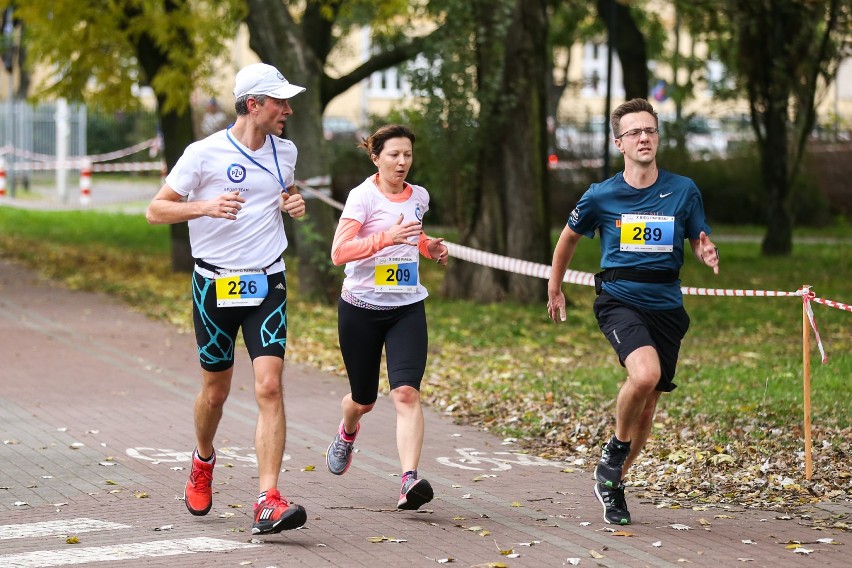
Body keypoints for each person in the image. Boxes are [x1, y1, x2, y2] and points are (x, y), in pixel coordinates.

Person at [145, 62, 309, 535]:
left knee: (269, 386)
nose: (289, 109)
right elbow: (156, 210)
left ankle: (268, 499)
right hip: (214, 285)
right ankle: (202, 459)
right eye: (280, 102)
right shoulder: (203, 154)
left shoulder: (287, 151)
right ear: (253, 104)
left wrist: (291, 204)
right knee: (215, 393)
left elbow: (286, 192)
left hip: (267, 281)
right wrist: (205, 206)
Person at [546, 98, 720, 526]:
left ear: (657, 137)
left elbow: (697, 233)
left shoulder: (683, 189)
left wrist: (705, 248)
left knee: (648, 404)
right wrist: (555, 287)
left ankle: (612, 483)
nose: (644, 138)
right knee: (644, 376)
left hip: (667, 305)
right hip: (619, 298)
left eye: (650, 130)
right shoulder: (601, 195)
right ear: (619, 143)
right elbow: (568, 239)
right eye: (634, 133)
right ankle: (615, 452)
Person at [324, 124, 449, 511]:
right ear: (376, 157)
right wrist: (386, 239)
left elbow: (415, 237)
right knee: (363, 400)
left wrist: (430, 248)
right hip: (361, 308)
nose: (402, 162)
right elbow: (339, 252)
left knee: (406, 393)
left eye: (407, 154)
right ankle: (347, 432)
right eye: (394, 154)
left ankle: (408, 480)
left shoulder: (419, 196)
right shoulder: (362, 198)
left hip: (407, 307)